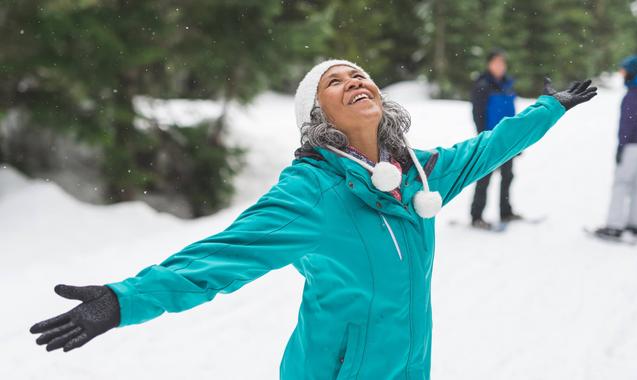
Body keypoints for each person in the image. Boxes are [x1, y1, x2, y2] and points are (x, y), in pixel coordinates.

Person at [29, 59, 596, 379]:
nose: (356, 80)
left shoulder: (417, 175)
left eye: (361, 75)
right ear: (316, 115)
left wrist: (550, 108)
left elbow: (487, 149)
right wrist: (124, 299)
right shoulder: (310, 192)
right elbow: (217, 261)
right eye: (335, 81)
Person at [594, 55, 637, 240]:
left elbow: (628, 124)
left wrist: (621, 146)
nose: (621, 73)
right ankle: (634, 224)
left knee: (621, 183)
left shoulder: (633, 94)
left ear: (632, 71)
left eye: (624, 69)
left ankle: (614, 225)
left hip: (631, 143)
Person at [469, 49, 522, 230]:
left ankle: (505, 212)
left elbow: (512, 113)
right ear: (489, 64)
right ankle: (476, 216)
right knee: (484, 177)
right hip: (490, 139)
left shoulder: (508, 83)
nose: (500, 66)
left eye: (502, 62)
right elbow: (477, 114)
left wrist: (517, 139)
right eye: (496, 62)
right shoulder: (482, 84)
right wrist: (483, 137)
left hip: (507, 139)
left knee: (508, 176)